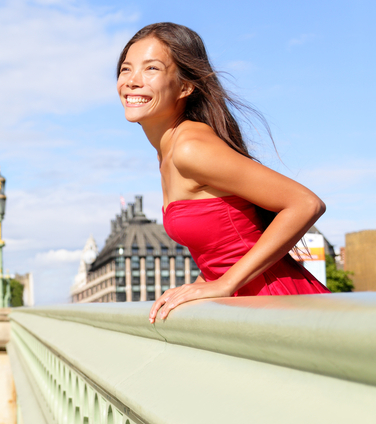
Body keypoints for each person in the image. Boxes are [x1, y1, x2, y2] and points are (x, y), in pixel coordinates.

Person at [115, 22, 330, 324]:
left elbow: (305, 204)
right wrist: (204, 283)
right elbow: (228, 242)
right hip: (253, 311)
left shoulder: (191, 147)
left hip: (281, 306)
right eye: (126, 69)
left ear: (186, 86)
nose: (132, 81)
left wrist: (225, 283)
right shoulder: (169, 152)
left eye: (151, 69)